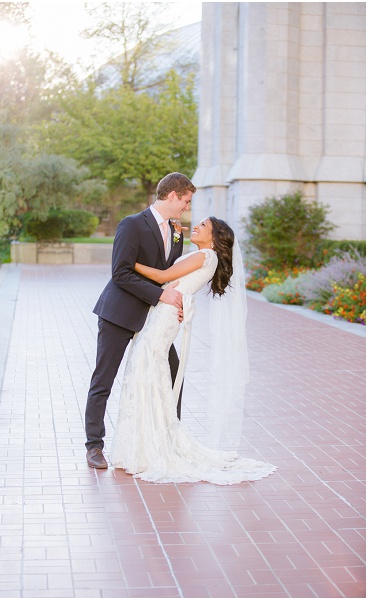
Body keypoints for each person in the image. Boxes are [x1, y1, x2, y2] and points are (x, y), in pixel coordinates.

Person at [107, 217, 275, 484]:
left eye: (203, 226)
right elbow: (171, 272)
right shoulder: (203, 256)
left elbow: (162, 276)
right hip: (165, 310)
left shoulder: (206, 256)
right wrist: (175, 241)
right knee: (147, 367)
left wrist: (125, 262)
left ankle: (150, 444)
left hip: (166, 314)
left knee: (146, 365)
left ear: (215, 237)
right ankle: (143, 441)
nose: (196, 225)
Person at [84, 173, 192, 470]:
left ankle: (172, 439)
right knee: (104, 379)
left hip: (155, 321)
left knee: (173, 373)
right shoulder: (131, 224)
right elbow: (120, 272)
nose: (186, 207)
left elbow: (169, 272)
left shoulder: (177, 232)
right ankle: (94, 445)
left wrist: (175, 301)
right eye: (185, 200)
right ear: (172, 195)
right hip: (120, 313)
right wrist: (161, 295)